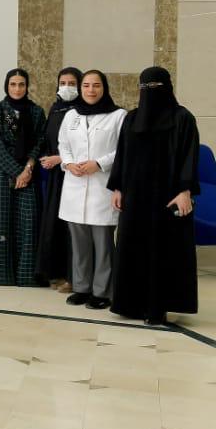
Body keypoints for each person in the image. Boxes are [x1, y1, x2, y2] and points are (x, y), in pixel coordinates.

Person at [108, 67, 200, 325]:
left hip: (167, 197)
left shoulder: (183, 118)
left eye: (155, 86)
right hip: (135, 196)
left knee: (165, 251)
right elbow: (122, 155)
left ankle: (158, 307)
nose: (149, 92)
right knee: (132, 247)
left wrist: (185, 191)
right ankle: (131, 304)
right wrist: (118, 187)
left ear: (168, 87)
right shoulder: (132, 118)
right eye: (145, 87)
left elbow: (189, 157)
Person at [58, 70, 125, 310]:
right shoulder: (71, 115)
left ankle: (102, 291)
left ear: (104, 88)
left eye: (96, 86)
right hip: (74, 185)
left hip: (102, 187)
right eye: (86, 85)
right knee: (79, 243)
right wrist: (68, 163)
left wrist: (99, 163)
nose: (91, 90)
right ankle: (82, 287)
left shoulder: (118, 116)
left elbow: (123, 150)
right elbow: (63, 144)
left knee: (103, 243)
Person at [0, 68, 47, 287]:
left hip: (29, 173)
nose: (17, 89)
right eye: (13, 84)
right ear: (7, 86)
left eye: (21, 84)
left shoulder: (36, 112)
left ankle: (25, 275)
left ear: (27, 86)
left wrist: (28, 168)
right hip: (1, 173)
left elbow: (40, 141)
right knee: (0, 223)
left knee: (28, 222)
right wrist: (18, 172)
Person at [35, 67, 83, 293]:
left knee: (71, 227)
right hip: (56, 177)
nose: (67, 87)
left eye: (72, 83)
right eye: (63, 82)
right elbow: (48, 138)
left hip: (76, 175)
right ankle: (56, 272)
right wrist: (47, 157)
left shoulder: (83, 111)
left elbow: (85, 148)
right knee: (55, 223)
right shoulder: (55, 109)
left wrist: (59, 158)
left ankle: (75, 277)